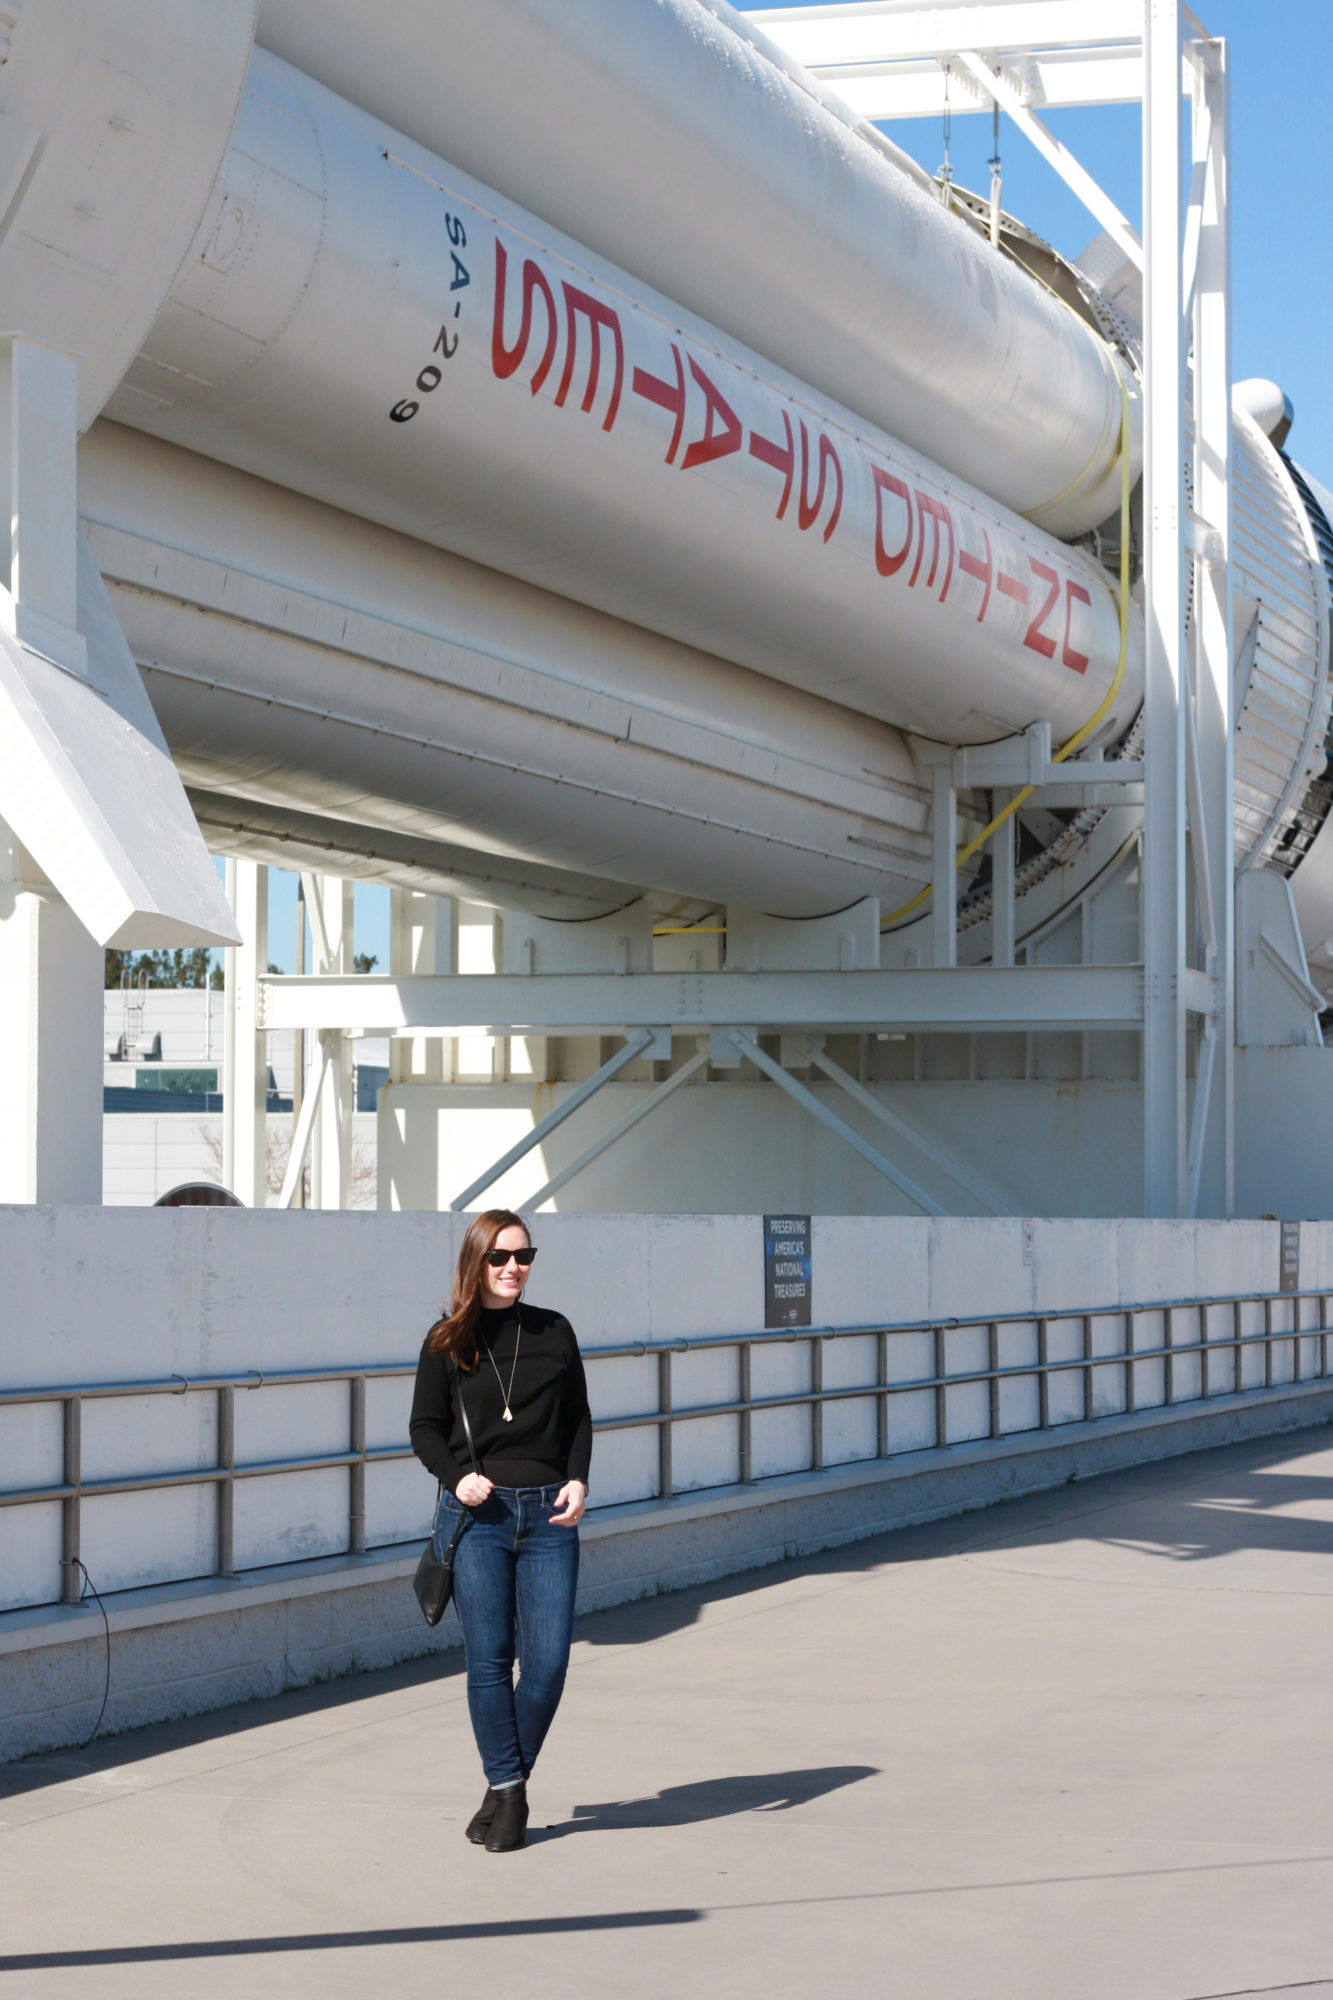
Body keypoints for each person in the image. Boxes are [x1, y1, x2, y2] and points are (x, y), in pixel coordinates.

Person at [409, 1208, 591, 1853]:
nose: (514, 1267)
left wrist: (578, 1478)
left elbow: (578, 1419)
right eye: (500, 1257)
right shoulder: (447, 1341)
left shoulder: (555, 1330)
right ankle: (511, 1796)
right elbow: (424, 1429)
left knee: (547, 1664)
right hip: (480, 1520)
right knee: (489, 1663)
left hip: (548, 1515)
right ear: (476, 1262)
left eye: (524, 1256)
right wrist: (457, 1476)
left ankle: (502, 1785)